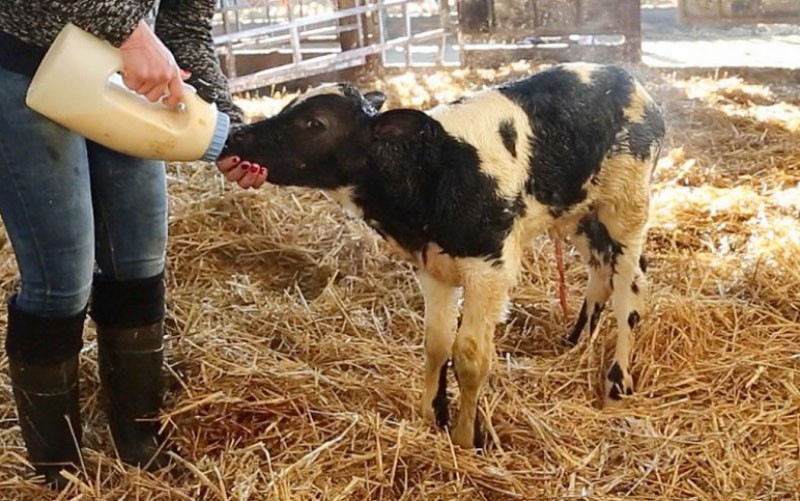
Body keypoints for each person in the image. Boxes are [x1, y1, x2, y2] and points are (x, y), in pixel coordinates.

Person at [0, 1, 264, 487]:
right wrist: (130, 32)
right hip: (22, 64)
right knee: (62, 277)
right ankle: (58, 473)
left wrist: (228, 127)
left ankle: (139, 439)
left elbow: (184, 20)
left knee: (138, 256)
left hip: (123, 76)